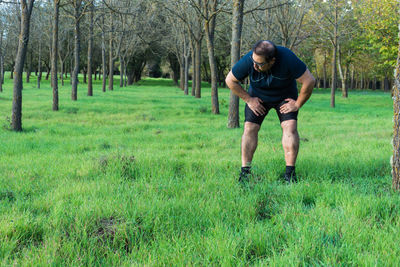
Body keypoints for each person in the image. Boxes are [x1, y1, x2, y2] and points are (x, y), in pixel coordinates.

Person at [225, 40, 315, 183]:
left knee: (289, 127)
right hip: (258, 98)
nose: (254, 65)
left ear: (272, 61)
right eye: (254, 61)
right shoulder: (250, 60)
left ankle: (289, 175)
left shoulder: (287, 58)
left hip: (284, 97)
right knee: (249, 128)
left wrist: (297, 104)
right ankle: (245, 173)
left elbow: (309, 80)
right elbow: (230, 80)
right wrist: (249, 99)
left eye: (259, 64)